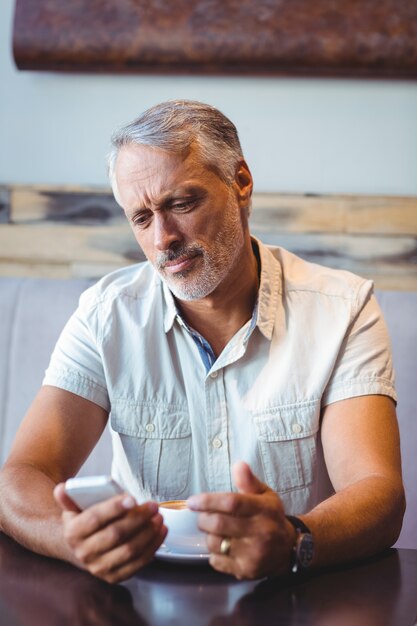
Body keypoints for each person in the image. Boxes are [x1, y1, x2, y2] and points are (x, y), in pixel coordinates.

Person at [0, 100, 405, 584]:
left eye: (181, 204)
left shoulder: (342, 309)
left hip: (294, 595)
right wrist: (75, 540)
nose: (163, 239)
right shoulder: (106, 315)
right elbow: (19, 479)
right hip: (142, 597)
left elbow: (377, 491)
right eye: (142, 218)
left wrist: (295, 540)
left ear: (240, 182)